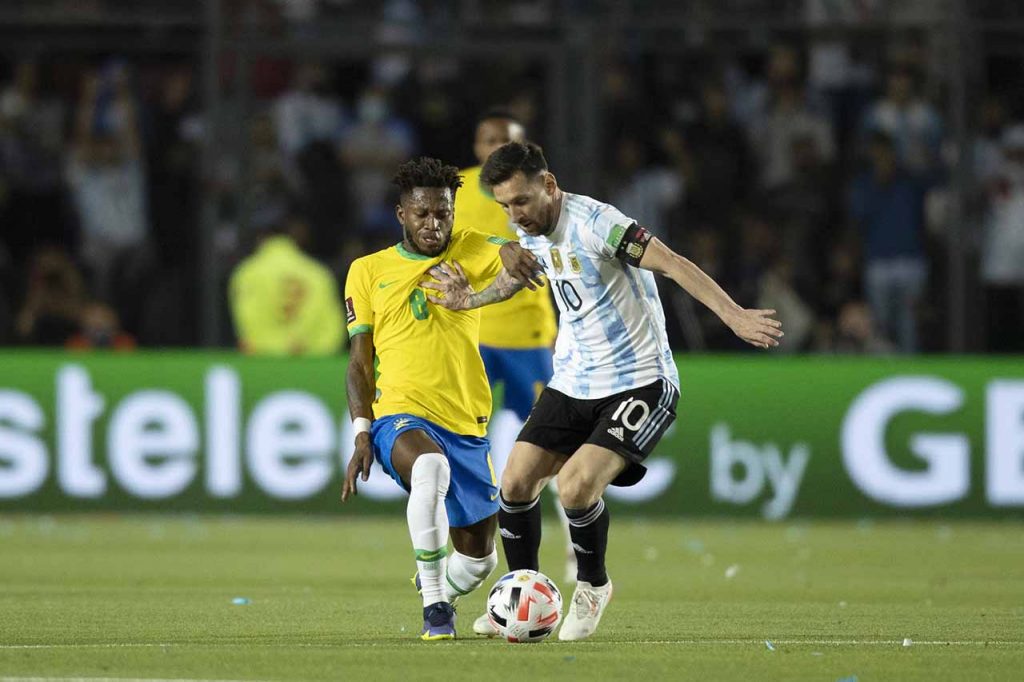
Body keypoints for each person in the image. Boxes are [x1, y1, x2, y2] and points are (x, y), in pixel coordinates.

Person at [422, 141, 782, 641]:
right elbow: (521, 279)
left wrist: (734, 315)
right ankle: (520, 596)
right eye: (505, 205)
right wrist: (472, 299)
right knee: (515, 484)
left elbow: (673, 263)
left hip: (641, 380)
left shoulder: (599, 224)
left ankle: (593, 585)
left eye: (521, 201)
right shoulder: (527, 229)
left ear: (549, 185)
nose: (514, 215)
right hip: (574, 381)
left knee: (574, 486)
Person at [341, 157, 542, 641]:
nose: (434, 224)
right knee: (430, 468)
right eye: (422, 214)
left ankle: (438, 583)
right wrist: (362, 432)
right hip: (400, 414)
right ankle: (435, 608)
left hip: (466, 422)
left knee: (479, 561)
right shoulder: (367, 271)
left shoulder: (468, 246)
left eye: (443, 213)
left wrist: (514, 252)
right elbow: (360, 363)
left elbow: (506, 250)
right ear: (401, 214)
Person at [453, 110, 574, 583]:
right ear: (477, 147)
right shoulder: (457, 192)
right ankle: (468, 548)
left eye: (506, 141)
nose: (495, 148)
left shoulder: (538, 194)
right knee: (464, 441)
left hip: (528, 337)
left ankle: (574, 543)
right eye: (489, 140)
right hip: (474, 334)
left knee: (554, 445)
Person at [228, 212, 344, 356]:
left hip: (263, 362)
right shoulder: (318, 273)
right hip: (310, 364)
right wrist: (305, 350)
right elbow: (333, 329)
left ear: (260, 238)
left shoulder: (248, 272)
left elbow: (247, 324)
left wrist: (272, 346)